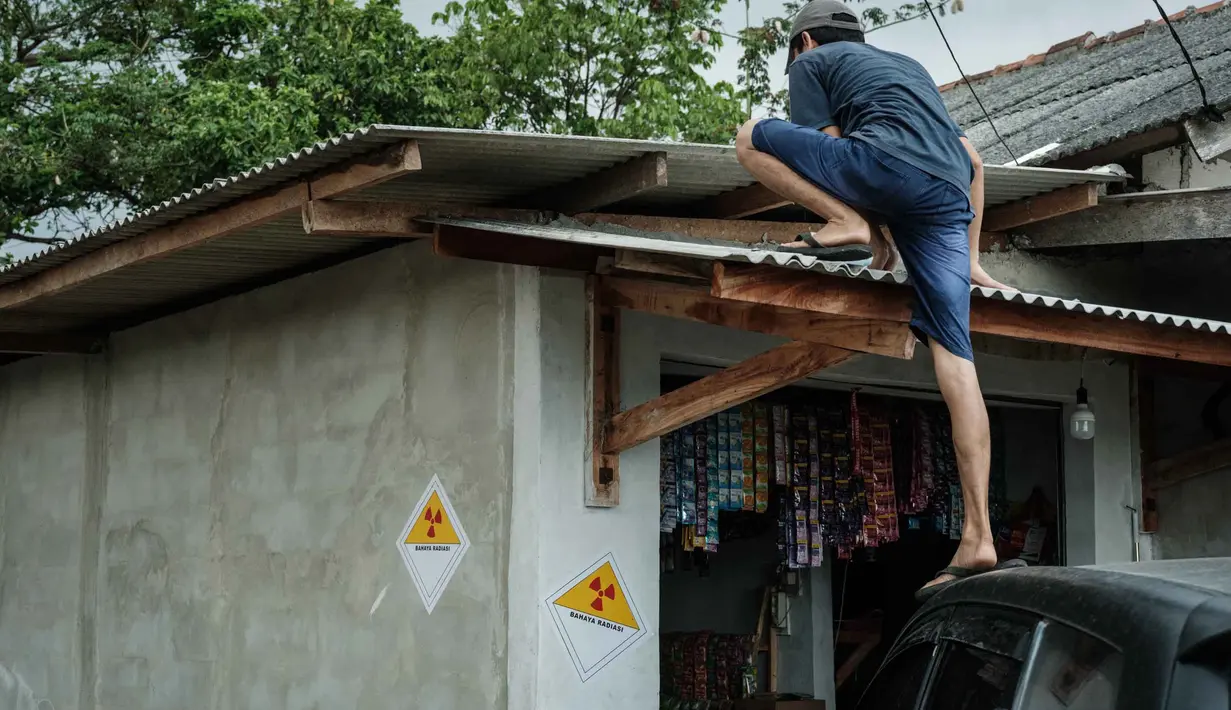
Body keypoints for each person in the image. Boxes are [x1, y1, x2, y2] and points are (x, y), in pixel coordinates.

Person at [734, 0, 1022, 600]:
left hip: (887, 174)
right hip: (946, 198)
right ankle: (978, 536)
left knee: (748, 137)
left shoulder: (811, 64)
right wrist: (968, 256)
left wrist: (865, 224)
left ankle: (844, 226)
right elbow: (970, 158)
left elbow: (835, 152)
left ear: (805, 42)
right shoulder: (907, 66)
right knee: (957, 361)